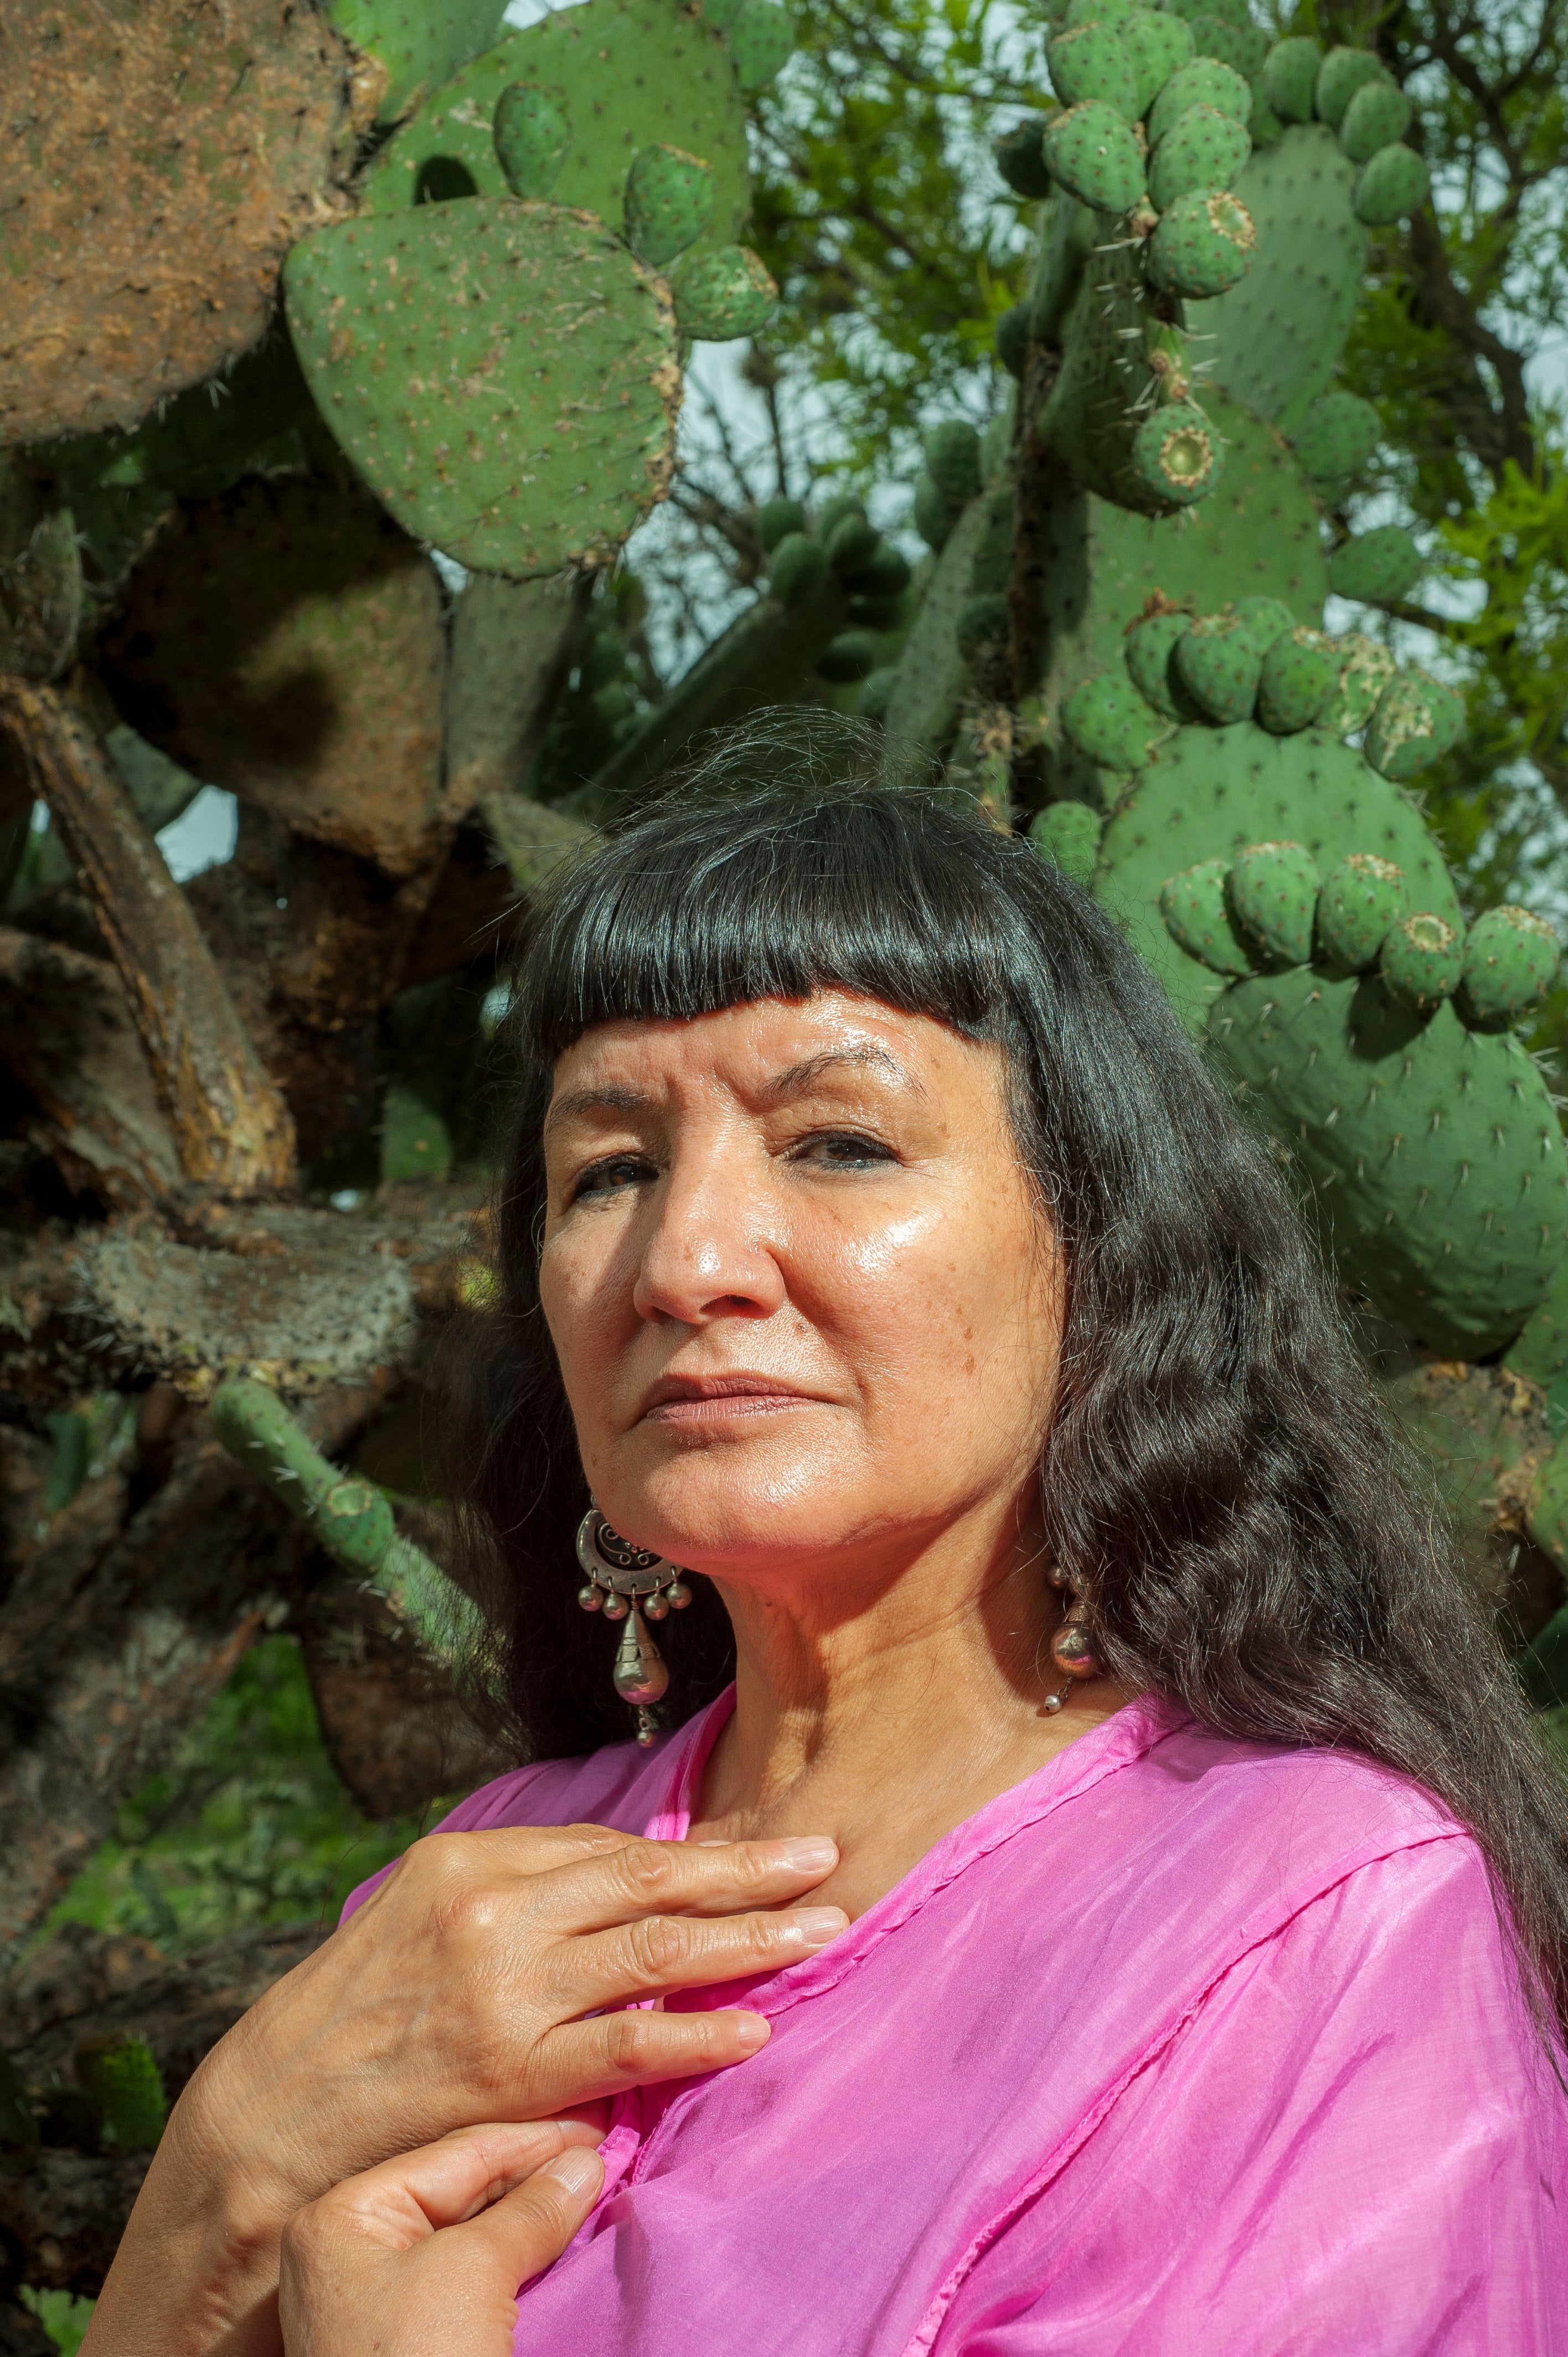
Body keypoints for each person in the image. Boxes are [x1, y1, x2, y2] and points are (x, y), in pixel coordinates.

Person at [87, 726, 1568, 2357]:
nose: (685, 1257)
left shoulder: (1317, 1923)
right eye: (611, 1169)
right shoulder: (484, 1880)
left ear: (1100, 1257)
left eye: (838, 1143)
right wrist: (224, 2162)